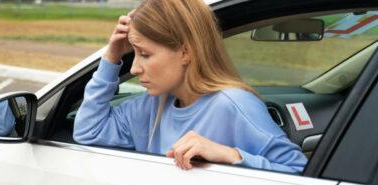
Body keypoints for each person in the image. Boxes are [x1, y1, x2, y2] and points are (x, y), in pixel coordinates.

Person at [73, 0, 307, 174]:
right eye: (133, 54)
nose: (133, 68)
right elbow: (87, 132)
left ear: (185, 52)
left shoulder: (233, 104)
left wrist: (230, 155)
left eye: (144, 54)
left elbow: (297, 169)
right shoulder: (150, 105)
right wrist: (112, 56)